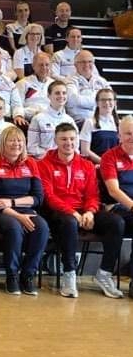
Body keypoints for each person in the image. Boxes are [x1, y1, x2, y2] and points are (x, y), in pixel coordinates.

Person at [39, 122, 124, 298]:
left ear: (77, 140)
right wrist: (73, 212)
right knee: (69, 222)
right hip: (57, 213)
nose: (68, 143)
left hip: (84, 212)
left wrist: (90, 212)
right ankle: (69, 273)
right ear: (55, 140)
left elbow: (93, 194)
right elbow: (49, 196)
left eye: (72, 138)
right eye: (63, 139)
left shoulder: (86, 165)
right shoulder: (44, 164)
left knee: (116, 222)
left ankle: (104, 273)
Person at [0, 126, 47, 295]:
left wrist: (12, 202)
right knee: (14, 228)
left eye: (20, 140)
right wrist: (16, 215)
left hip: (24, 209)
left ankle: (28, 274)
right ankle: (12, 276)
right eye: (12, 140)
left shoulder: (31, 163)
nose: (16, 144)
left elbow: (38, 198)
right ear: (3, 142)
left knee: (42, 228)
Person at [100, 116, 133, 298]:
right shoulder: (109, 156)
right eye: (128, 134)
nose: (132, 137)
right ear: (119, 136)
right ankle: (104, 274)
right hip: (116, 206)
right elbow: (113, 190)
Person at [27, 80, 76, 159]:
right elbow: (32, 148)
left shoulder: (70, 120)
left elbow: (75, 148)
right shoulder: (38, 119)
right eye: (57, 93)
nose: (61, 96)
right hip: (45, 162)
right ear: (49, 96)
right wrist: (53, 156)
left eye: (64, 93)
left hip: (66, 162)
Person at [65, 50, 111, 126]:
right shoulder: (70, 81)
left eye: (90, 62)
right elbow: (74, 100)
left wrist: (84, 99)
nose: (87, 64)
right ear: (75, 65)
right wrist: (99, 100)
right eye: (83, 62)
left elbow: (111, 100)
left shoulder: (102, 81)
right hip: (80, 122)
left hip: (102, 121)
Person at [80, 88, 119, 164]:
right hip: (95, 166)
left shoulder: (119, 124)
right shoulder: (90, 122)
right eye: (103, 100)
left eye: (110, 99)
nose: (107, 103)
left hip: (115, 165)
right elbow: (85, 150)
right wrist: (104, 163)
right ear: (97, 103)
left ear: (115, 102)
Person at [16, 52, 54, 122]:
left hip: (51, 118)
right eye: (41, 65)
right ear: (33, 66)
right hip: (30, 119)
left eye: (47, 65)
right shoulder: (22, 83)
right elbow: (17, 105)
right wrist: (19, 116)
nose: (44, 68)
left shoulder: (54, 84)